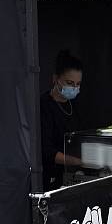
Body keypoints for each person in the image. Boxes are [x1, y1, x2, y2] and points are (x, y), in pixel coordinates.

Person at [41, 50, 84, 191]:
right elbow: (46, 151)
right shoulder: (43, 106)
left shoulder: (75, 105)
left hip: (73, 175)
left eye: (78, 84)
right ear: (56, 78)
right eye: (70, 83)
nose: (74, 88)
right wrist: (77, 162)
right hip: (50, 179)